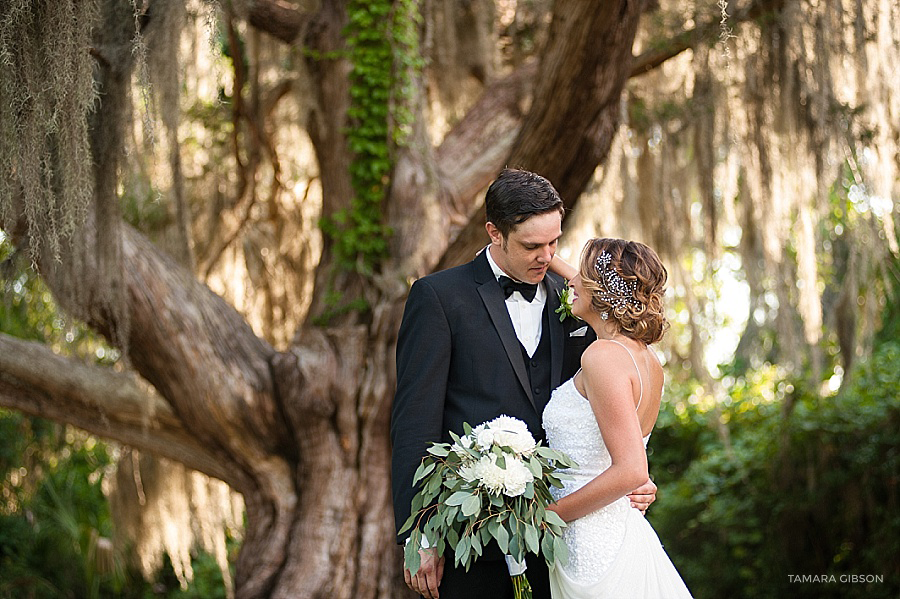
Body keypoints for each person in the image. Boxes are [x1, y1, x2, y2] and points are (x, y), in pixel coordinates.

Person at [390, 168, 658, 599]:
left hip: (568, 535)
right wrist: (418, 532)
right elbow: (414, 424)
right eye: (532, 246)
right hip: (473, 538)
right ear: (494, 233)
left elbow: (623, 389)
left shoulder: (577, 300)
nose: (546, 256)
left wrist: (636, 473)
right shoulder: (439, 298)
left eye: (554, 242)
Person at [542, 238, 692, 598]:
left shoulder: (602, 356)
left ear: (604, 292)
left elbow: (631, 471)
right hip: (621, 532)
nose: (572, 283)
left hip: (592, 545)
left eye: (583, 277)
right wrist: (550, 257)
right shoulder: (647, 361)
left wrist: (548, 516)